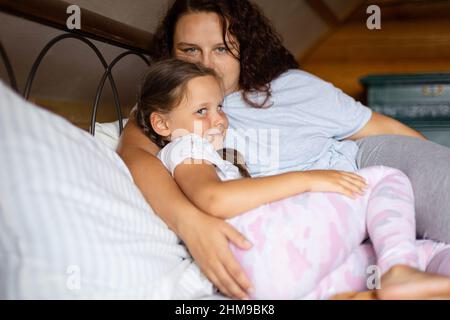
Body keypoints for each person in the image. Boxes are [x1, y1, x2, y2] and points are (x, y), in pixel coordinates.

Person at [116, 0, 450, 299]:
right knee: (402, 235)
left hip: (356, 181)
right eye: (190, 50)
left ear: (244, 46)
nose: (207, 64)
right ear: (170, 52)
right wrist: (190, 222)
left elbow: (383, 127)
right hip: (309, 223)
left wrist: (436, 166)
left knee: (427, 243)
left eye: (221, 48)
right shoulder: (172, 113)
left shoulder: (295, 86)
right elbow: (135, 157)